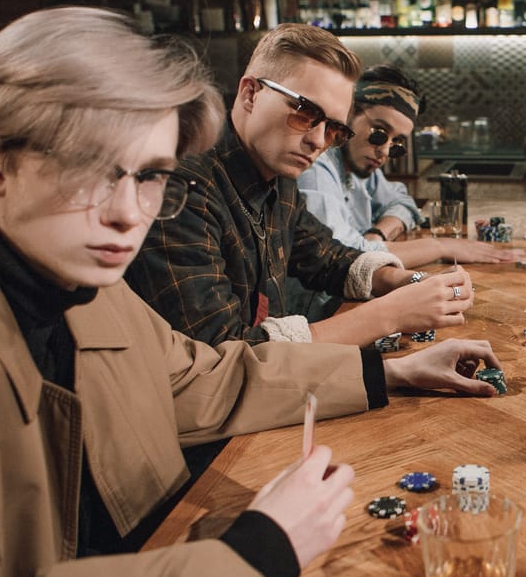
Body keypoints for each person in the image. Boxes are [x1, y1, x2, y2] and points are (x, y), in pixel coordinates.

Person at [0, 7, 503, 577]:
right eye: (93, 169)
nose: (129, 214)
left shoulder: (75, 281)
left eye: (152, 175)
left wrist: (392, 373)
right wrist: (252, 557)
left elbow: (204, 376)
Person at [126, 24, 474, 348]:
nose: (318, 141)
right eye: (305, 113)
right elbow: (224, 354)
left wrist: (408, 282)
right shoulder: (181, 191)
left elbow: (328, 257)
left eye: (334, 130)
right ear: (250, 94)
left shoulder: (278, 176)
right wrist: (390, 314)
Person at [298, 63, 523, 268]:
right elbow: (346, 255)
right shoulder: (315, 166)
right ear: (348, 114)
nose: (385, 151)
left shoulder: (360, 167)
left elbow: (402, 201)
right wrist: (440, 247)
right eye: (379, 134)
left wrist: (378, 233)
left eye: (397, 144)